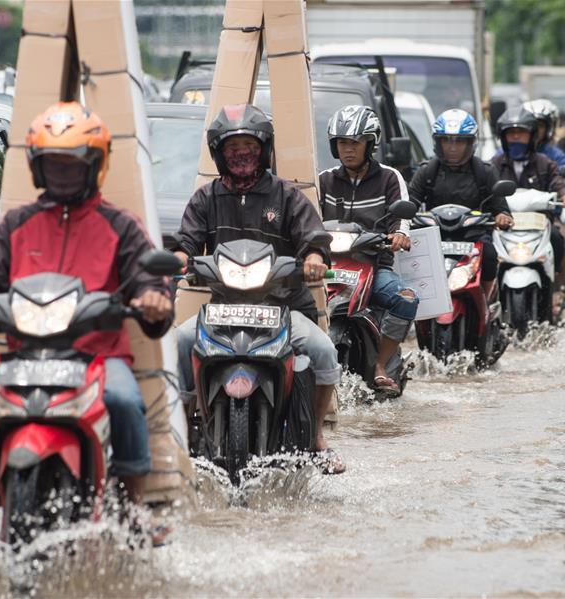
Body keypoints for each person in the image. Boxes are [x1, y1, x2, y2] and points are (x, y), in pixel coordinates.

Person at [0, 102, 173, 530]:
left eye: (72, 165)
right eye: (53, 165)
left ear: (94, 166)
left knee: (125, 401)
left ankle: (134, 514)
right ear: (37, 167)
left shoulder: (120, 224)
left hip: (97, 359)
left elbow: (148, 279)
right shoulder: (17, 223)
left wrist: (154, 299)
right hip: (22, 356)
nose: (63, 174)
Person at [173, 104, 345, 473]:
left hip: (283, 307)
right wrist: (175, 259)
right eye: (233, 149)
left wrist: (314, 256)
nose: (241, 156)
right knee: (178, 343)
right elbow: (185, 241)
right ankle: (184, 428)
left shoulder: (286, 195)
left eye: (249, 147)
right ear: (220, 154)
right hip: (222, 310)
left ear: (263, 150)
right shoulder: (206, 198)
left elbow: (313, 235)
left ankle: (315, 436)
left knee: (324, 350)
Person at [318, 105, 417, 394]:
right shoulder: (323, 181)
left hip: (373, 265)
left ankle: (381, 365)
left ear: (370, 144)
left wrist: (399, 234)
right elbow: (305, 216)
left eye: (355, 143)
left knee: (406, 299)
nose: (348, 149)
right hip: (329, 267)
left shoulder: (389, 178)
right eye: (342, 143)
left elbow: (403, 218)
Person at [407, 108, 513, 299]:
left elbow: (501, 207)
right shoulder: (426, 171)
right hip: (435, 237)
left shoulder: (485, 172)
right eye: (446, 140)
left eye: (460, 141)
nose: (453, 147)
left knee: (489, 255)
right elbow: (410, 203)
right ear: (438, 143)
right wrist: (402, 217)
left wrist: (502, 216)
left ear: (470, 143)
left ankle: (487, 299)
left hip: (474, 236)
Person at [491, 106, 565, 306]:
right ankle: (490, 298)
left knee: (561, 238)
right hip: (504, 224)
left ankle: (555, 290)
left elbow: (559, 183)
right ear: (503, 138)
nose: (516, 139)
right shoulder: (493, 164)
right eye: (511, 134)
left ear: (531, 137)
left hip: (539, 225)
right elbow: (484, 190)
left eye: (521, 134)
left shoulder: (545, 163)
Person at [524, 99, 565, 192]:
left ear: (548, 129)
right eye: (530, 124)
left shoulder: (557, 155)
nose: (535, 129)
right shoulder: (506, 152)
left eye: (539, 125)